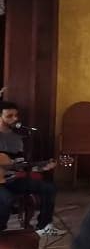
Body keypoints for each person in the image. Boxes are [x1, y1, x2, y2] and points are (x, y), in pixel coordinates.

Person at [0, 100, 62, 236]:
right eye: (9, 116)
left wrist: (40, 168)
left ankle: (44, 226)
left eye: (16, 115)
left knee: (49, 188)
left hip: (11, 179)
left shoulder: (17, 138)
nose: (15, 119)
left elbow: (20, 165)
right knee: (6, 198)